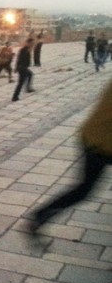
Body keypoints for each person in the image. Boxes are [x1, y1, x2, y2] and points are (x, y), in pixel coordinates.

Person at [28, 77, 112, 232]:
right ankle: (40, 215)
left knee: (84, 189)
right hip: (100, 143)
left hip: (94, 137)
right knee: (84, 189)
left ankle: (40, 215)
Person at [12, 38, 35, 102]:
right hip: (22, 68)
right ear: (28, 43)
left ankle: (28, 88)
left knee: (30, 74)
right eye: (31, 43)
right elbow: (19, 59)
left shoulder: (27, 49)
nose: (32, 45)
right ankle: (15, 97)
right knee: (20, 83)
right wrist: (16, 68)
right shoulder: (24, 50)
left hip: (24, 67)